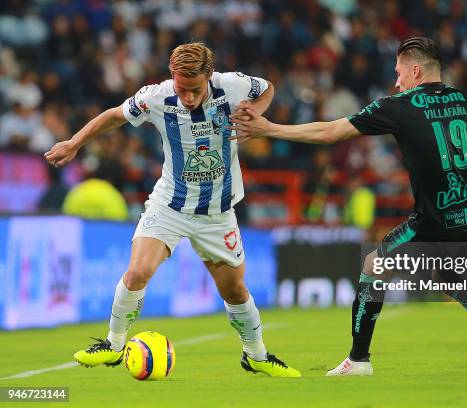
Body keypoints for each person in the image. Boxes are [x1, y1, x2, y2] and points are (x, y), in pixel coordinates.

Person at [229, 37, 467, 376]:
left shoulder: (400, 105)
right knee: (453, 281)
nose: (396, 81)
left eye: (399, 72)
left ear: (416, 70)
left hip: (433, 223)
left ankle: (358, 360)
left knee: (373, 264)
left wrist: (270, 129)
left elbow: (331, 132)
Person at [44, 42, 300, 378]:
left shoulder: (232, 85)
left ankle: (256, 355)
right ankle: (113, 344)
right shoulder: (155, 96)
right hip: (169, 206)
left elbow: (267, 88)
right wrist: (73, 143)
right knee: (137, 272)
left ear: (209, 76)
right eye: (182, 89)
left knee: (235, 290)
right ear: (172, 77)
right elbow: (113, 116)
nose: (188, 97)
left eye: (195, 90)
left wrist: (256, 112)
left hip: (217, 213)